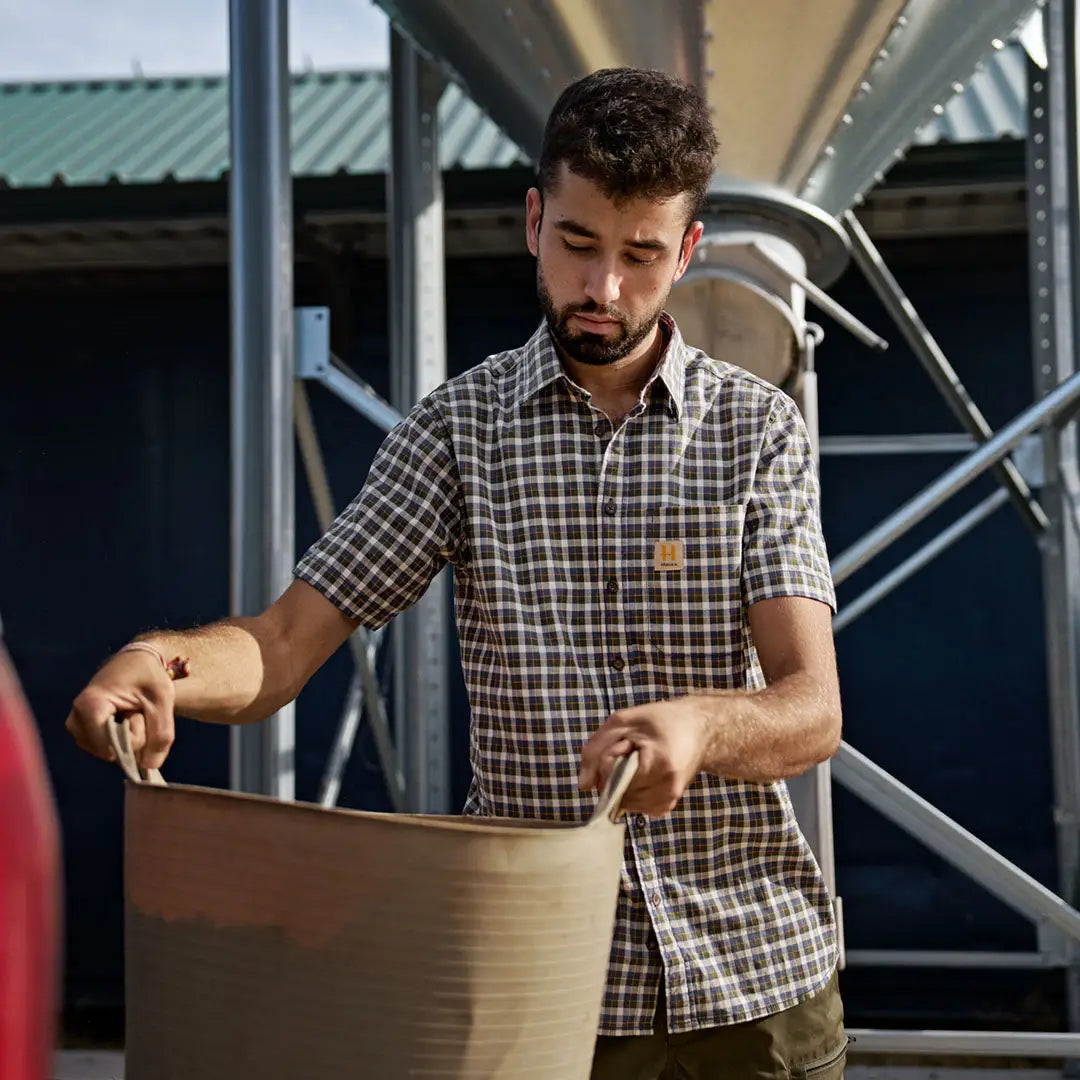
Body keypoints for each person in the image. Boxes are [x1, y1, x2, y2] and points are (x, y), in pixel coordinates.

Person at [67, 67, 846, 1079]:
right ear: (533, 220)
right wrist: (158, 663)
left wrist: (699, 725)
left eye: (641, 255)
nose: (603, 288)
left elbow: (811, 709)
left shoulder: (756, 429)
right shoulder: (455, 433)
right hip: (543, 987)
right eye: (577, 243)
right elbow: (283, 646)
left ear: (687, 252)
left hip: (757, 984)